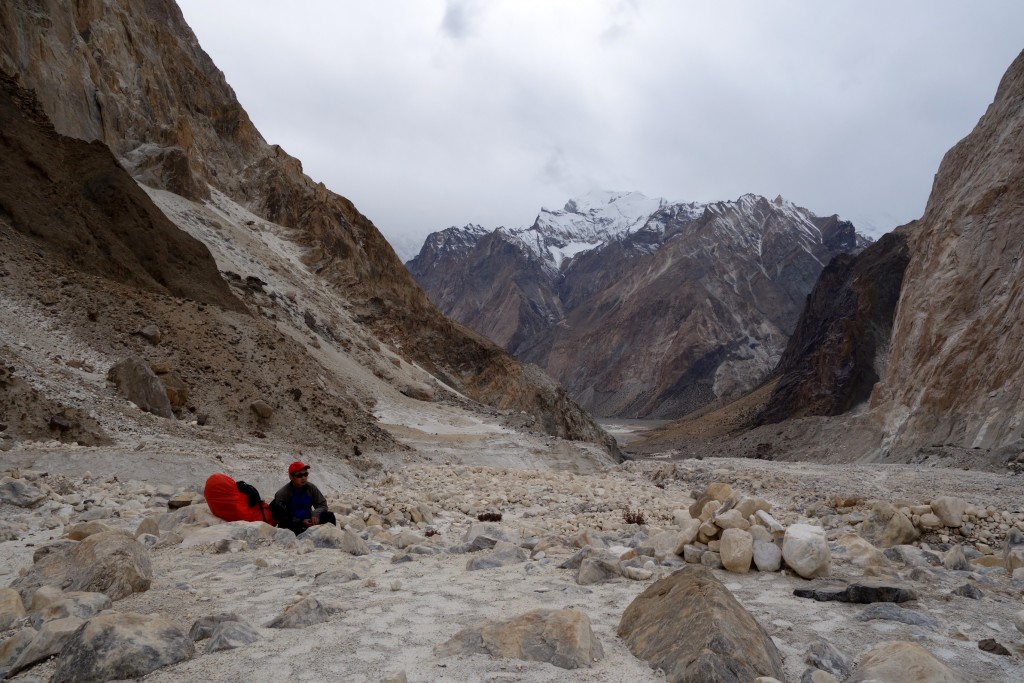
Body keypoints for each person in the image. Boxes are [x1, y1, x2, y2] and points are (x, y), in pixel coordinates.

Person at [270, 461, 336, 535]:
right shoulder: (282, 493)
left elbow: (322, 504)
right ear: (291, 477)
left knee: (329, 516)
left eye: (305, 474)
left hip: (309, 520)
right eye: (299, 475)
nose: (303, 478)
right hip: (293, 524)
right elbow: (282, 516)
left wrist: (316, 513)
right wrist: (301, 521)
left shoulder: (311, 488)